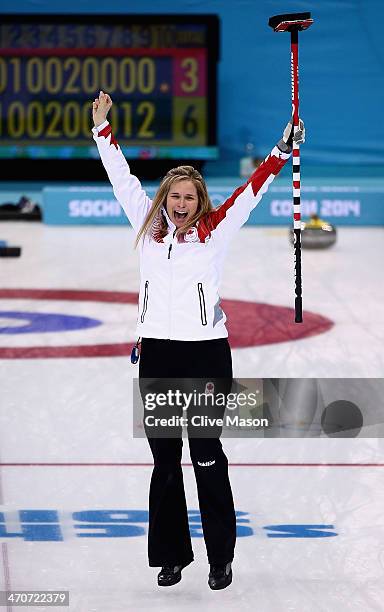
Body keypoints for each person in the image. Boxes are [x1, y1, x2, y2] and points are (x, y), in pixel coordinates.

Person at [92, 90, 305, 590]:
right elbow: (121, 178)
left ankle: (219, 558)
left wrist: (282, 149)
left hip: (207, 354)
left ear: (200, 200)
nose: (181, 204)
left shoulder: (215, 231)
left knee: (206, 455)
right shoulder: (147, 230)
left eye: (190, 197)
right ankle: (171, 555)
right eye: (175, 196)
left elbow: (252, 189)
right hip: (158, 355)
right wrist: (103, 131)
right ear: (164, 198)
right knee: (165, 460)